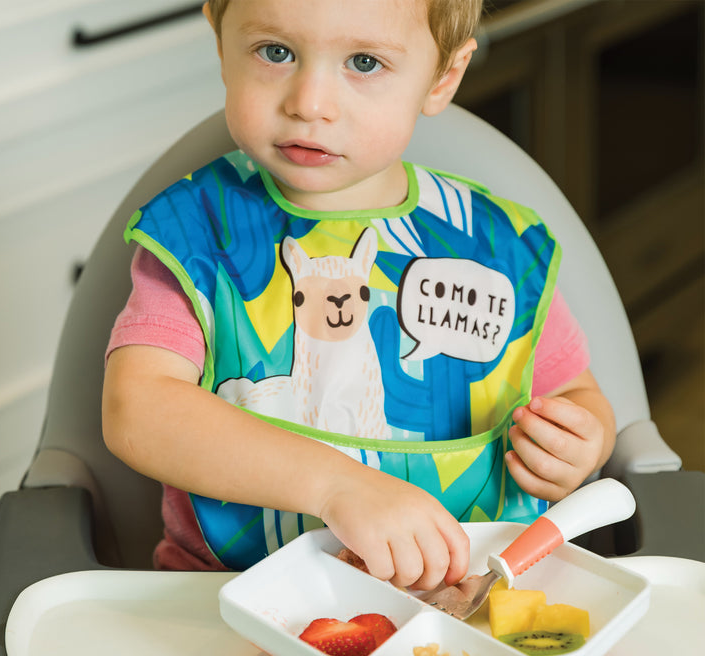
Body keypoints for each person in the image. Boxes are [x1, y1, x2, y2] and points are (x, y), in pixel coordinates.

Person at [102, 0, 616, 590]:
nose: (310, 104)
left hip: (468, 607)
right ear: (222, 44)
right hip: (227, 598)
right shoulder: (197, 233)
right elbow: (136, 410)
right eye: (276, 52)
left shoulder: (495, 247)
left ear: (444, 76)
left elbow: (576, 393)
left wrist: (578, 443)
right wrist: (336, 485)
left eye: (364, 62)